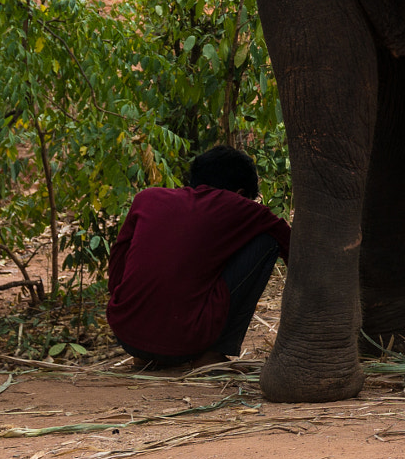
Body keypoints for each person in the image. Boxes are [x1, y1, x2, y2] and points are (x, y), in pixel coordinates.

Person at [106, 146, 291, 368]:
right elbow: (289, 242)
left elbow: (117, 263)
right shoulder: (237, 205)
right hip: (187, 339)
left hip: (126, 333)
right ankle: (213, 353)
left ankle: (146, 357)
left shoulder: (146, 198)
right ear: (241, 194)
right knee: (267, 242)